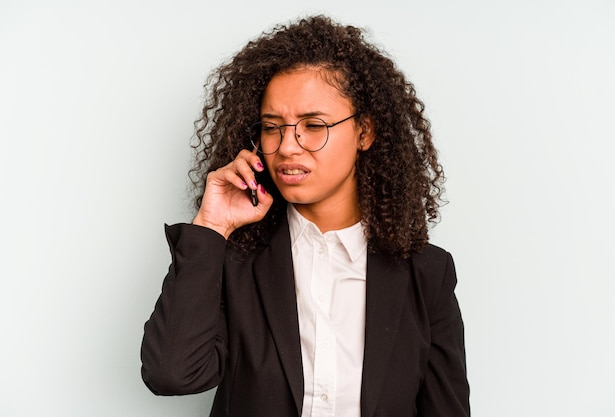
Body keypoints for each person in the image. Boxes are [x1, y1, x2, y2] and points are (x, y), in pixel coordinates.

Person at [141, 15, 470, 417]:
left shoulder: (426, 274)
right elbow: (172, 375)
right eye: (272, 127)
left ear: (365, 132)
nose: (288, 146)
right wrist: (212, 226)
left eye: (314, 125)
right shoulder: (234, 261)